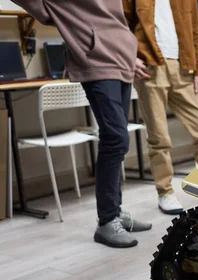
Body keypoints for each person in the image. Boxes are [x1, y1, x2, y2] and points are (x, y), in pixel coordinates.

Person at [13, 0, 152, 248]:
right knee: (116, 138)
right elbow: (47, 12)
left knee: (118, 142)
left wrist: (129, 54)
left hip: (120, 57)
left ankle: (115, 213)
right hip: (97, 61)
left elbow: (110, 19)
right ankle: (107, 221)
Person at [123, 0, 198, 215]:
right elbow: (122, 24)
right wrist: (129, 57)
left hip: (183, 66)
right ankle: (165, 191)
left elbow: (195, 30)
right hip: (151, 66)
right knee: (159, 136)